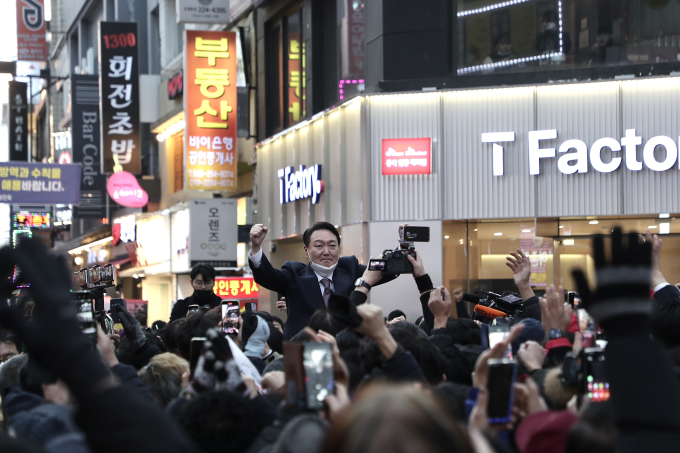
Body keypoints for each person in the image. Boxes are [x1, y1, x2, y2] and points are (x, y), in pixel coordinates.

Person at [248, 222, 397, 338]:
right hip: (302, 351)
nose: (326, 252)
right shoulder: (294, 273)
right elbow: (267, 277)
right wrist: (256, 247)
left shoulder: (351, 269)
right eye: (319, 246)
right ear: (306, 251)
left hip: (344, 351)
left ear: (338, 248)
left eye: (332, 246)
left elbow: (388, 271)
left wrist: (403, 248)